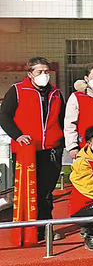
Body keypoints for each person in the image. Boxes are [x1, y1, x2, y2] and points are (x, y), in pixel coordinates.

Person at [0, 57, 66, 240]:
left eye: (47, 72)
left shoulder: (56, 93)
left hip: (51, 149)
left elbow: (61, 119)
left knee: (47, 192)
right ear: (30, 74)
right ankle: (28, 229)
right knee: (29, 191)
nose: (44, 75)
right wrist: (18, 135)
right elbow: (4, 116)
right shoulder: (17, 90)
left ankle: (45, 228)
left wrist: (61, 142)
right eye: (40, 72)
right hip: (26, 150)